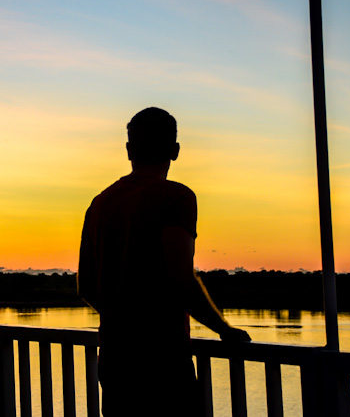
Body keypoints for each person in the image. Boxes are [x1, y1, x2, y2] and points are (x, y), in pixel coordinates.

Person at [78, 107, 250, 416]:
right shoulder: (176, 197)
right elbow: (180, 277)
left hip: (116, 361)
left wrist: (121, 319)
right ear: (175, 151)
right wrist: (224, 330)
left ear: (129, 150)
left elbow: (87, 286)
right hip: (163, 361)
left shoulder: (101, 203)